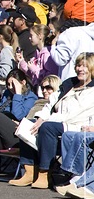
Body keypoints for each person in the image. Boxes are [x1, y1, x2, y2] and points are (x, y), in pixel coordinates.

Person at [12, 52, 94, 189]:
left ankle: (45, 172)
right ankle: (29, 171)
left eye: (85, 66)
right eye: (78, 65)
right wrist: (41, 118)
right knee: (27, 125)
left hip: (77, 125)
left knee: (48, 127)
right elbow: (50, 103)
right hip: (57, 121)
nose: (80, 69)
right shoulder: (69, 85)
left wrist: (48, 121)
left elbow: (74, 113)